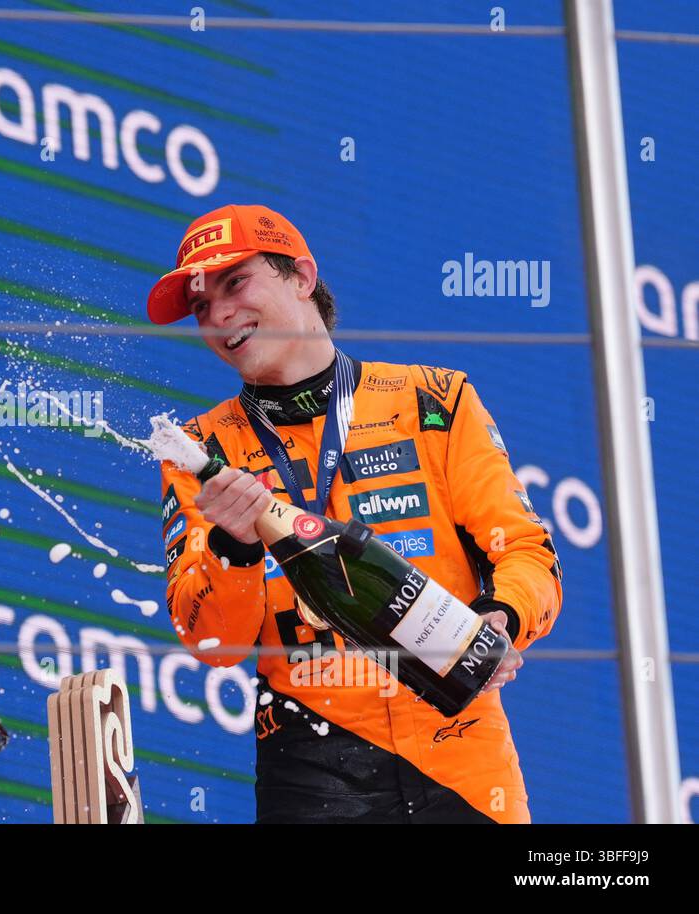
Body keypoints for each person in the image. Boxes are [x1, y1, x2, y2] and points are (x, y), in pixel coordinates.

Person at [150, 203, 562, 823]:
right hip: (311, 766)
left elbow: (529, 555)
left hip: (463, 755)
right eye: (201, 305)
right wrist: (235, 549)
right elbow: (212, 643)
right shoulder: (199, 449)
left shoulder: (433, 398)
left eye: (235, 281)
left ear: (302, 276)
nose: (220, 314)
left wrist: (501, 618)